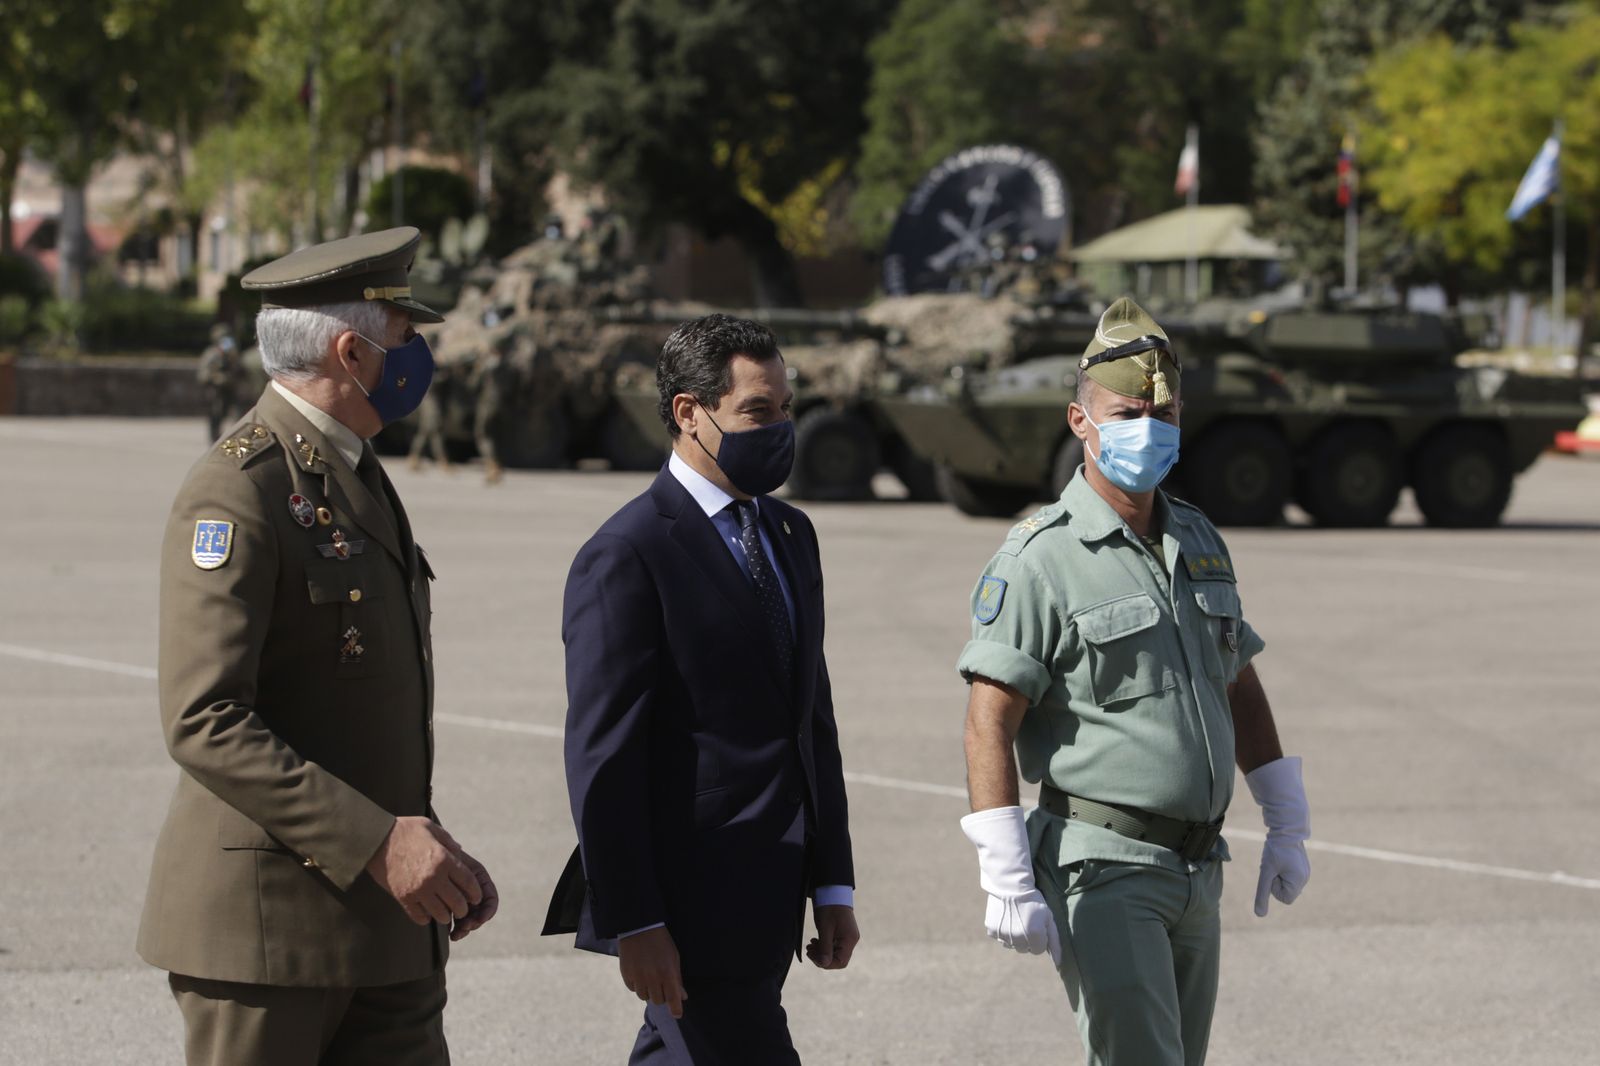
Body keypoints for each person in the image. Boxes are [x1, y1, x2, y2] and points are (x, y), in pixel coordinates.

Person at [138, 226, 499, 1066]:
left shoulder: (353, 468)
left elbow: (356, 702)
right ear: (352, 351)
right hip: (270, 938)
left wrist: (427, 842)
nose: (416, 358)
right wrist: (380, 841)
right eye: (404, 335)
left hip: (389, 925)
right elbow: (204, 719)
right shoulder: (240, 488)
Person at [957, 296, 1311, 1066]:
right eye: (1126, 414)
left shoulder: (1197, 537)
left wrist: (1284, 815)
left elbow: (1236, 678)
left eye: (1165, 413)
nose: (1148, 428)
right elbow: (989, 719)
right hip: (1104, 864)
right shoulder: (1040, 558)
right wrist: (1005, 870)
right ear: (1080, 422)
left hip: (1197, 868)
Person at [544, 313, 859, 1064]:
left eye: (785, 409)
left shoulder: (790, 534)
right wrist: (635, 919)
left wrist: (833, 883)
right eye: (757, 410)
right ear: (690, 412)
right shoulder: (627, 553)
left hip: (773, 891)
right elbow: (603, 757)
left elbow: (810, 720)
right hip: (689, 903)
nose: (779, 428)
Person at [197, 322, 243, 441]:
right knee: (216, 416)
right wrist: (219, 378)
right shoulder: (211, 354)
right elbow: (203, 375)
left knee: (237, 415)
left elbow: (238, 370)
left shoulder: (231, 354)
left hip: (230, 391)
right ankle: (215, 439)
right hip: (216, 393)